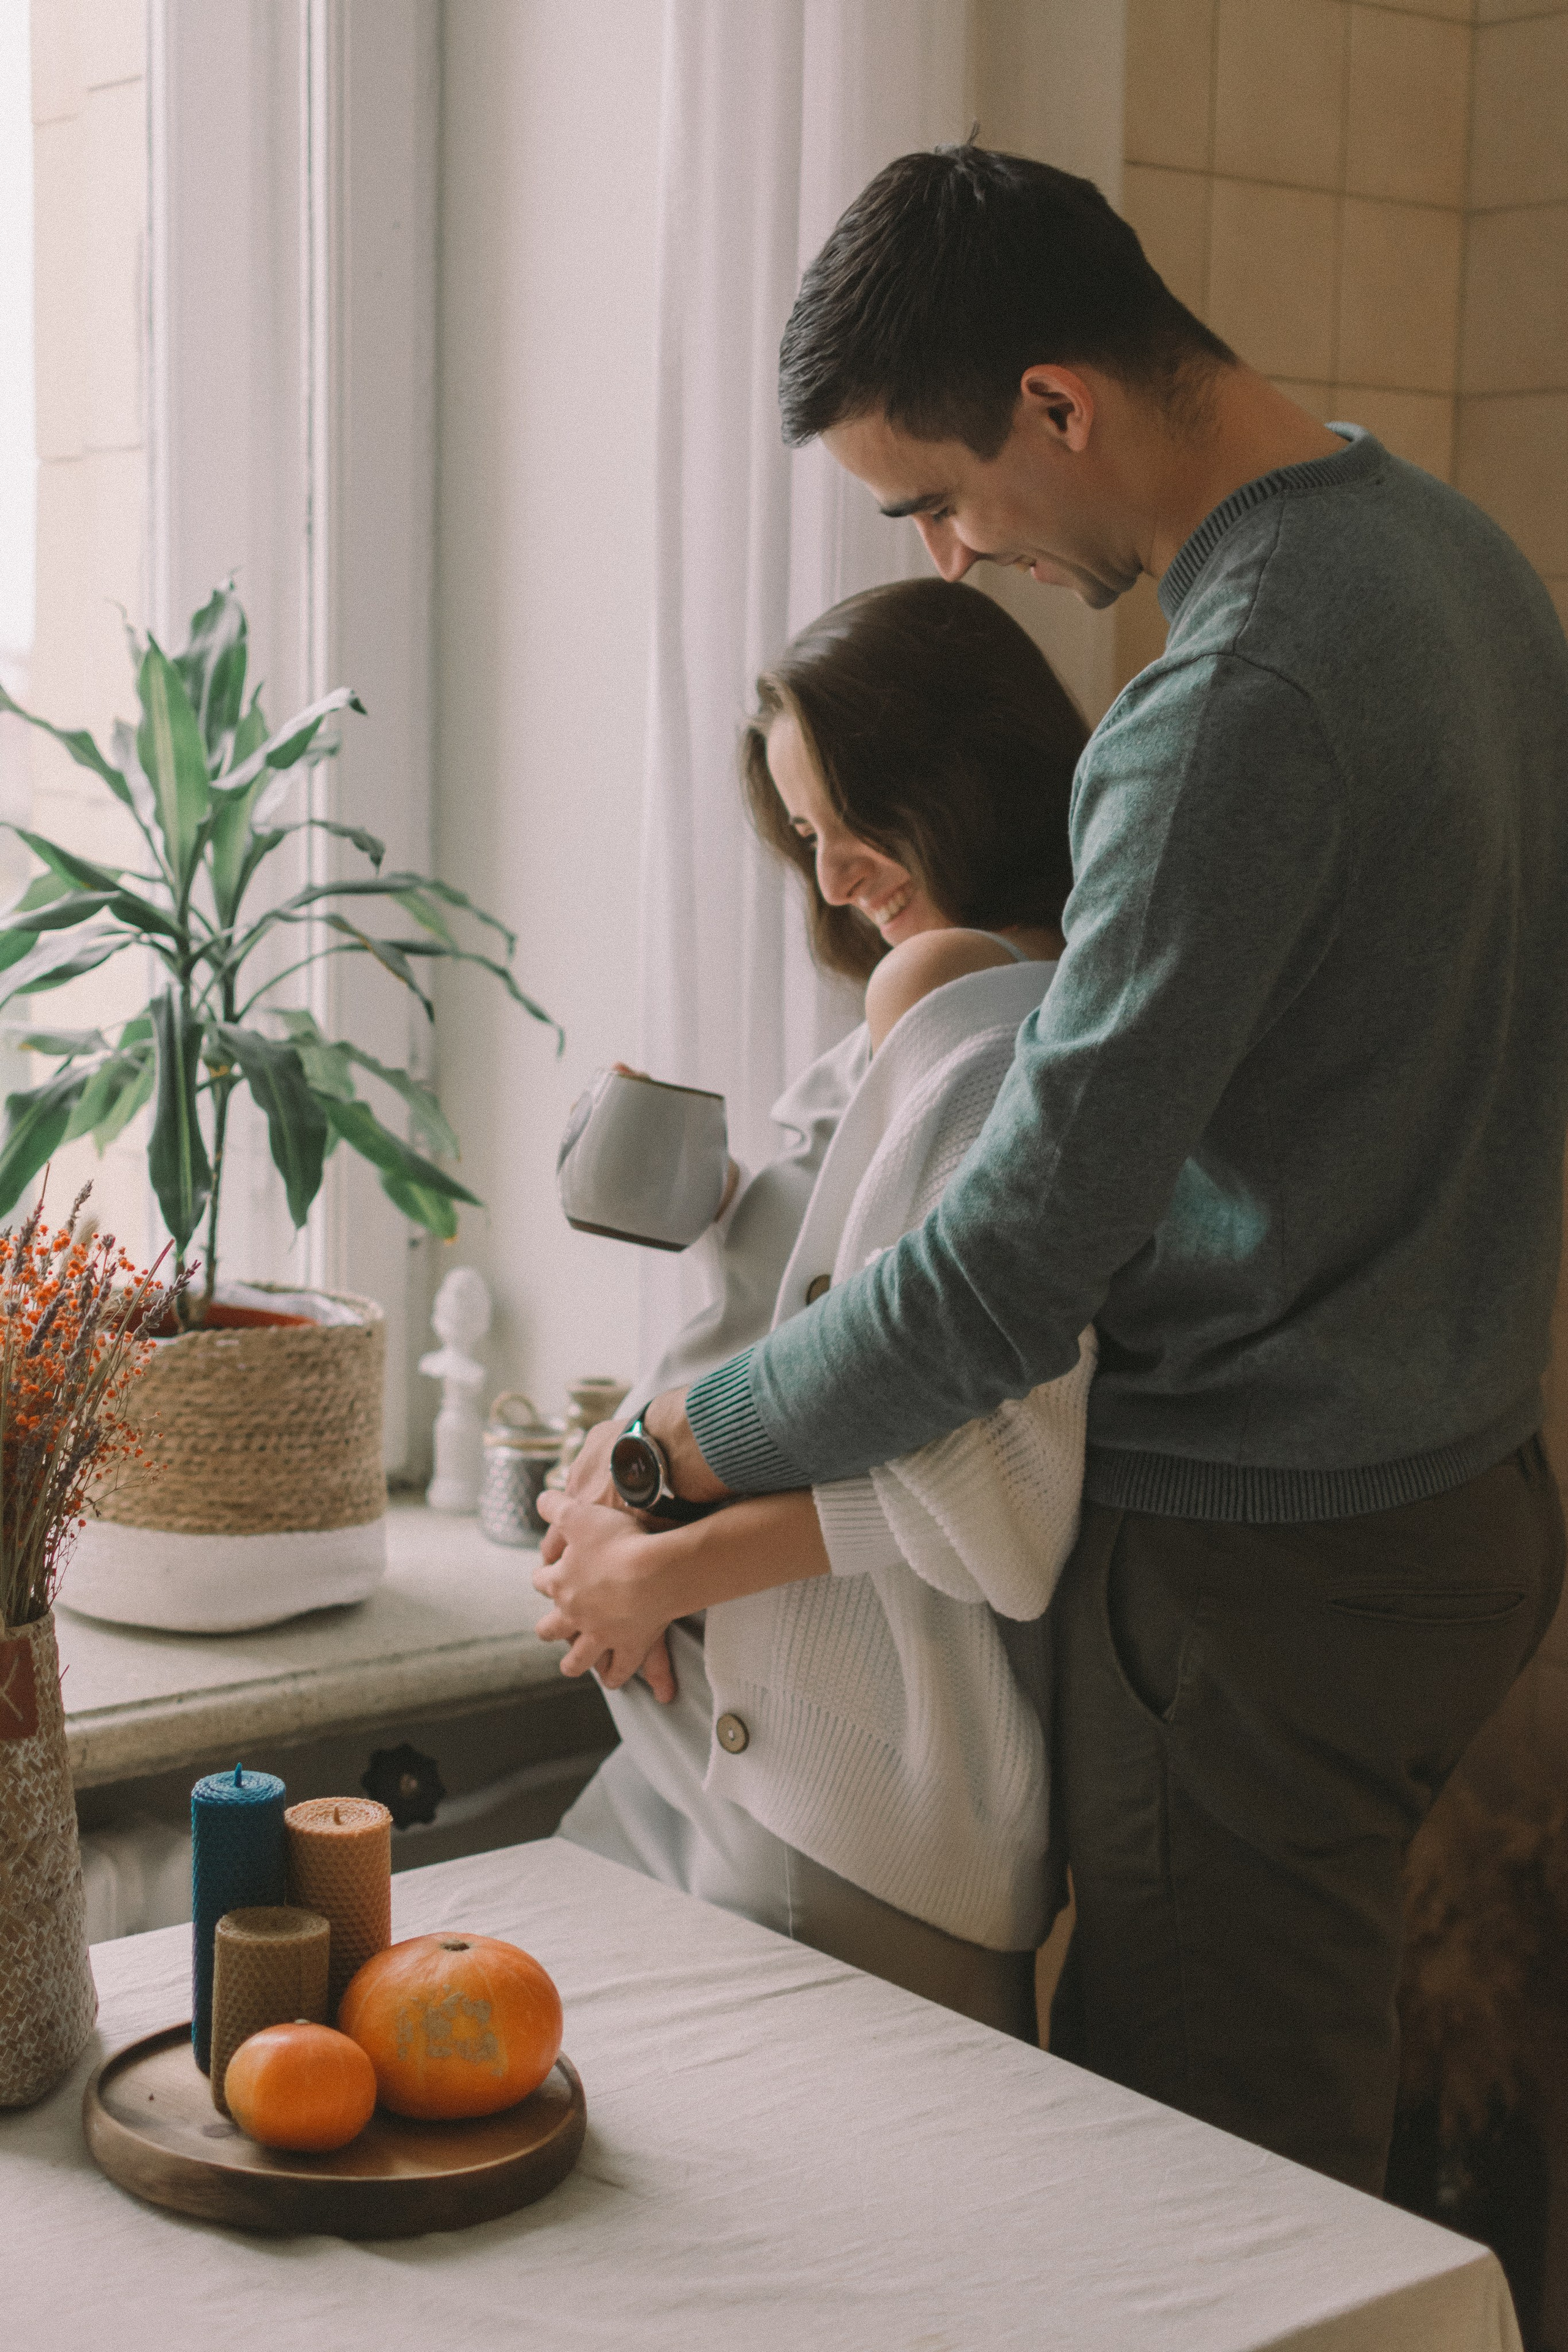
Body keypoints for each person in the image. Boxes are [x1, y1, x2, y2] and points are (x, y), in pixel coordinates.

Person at [554, 148, 1568, 2192]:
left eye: (932, 495)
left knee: (1216, 2214)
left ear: (1057, 403)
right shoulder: (1464, 567)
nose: (943, 556)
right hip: (1467, 1493)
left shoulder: (1224, 703)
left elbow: (1013, 1267)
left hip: (1260, 1573)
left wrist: (673, 1448)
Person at [537, 577, 1091, 2040]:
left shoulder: (980, 1022)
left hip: (841, 1802)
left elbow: (987, 1499)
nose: (831, 875)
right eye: (801, 837)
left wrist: (659, 1571)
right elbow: (823, 1376)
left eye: (853, 820)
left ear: (961, 776)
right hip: (755, 1773)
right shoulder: (953, 1014)